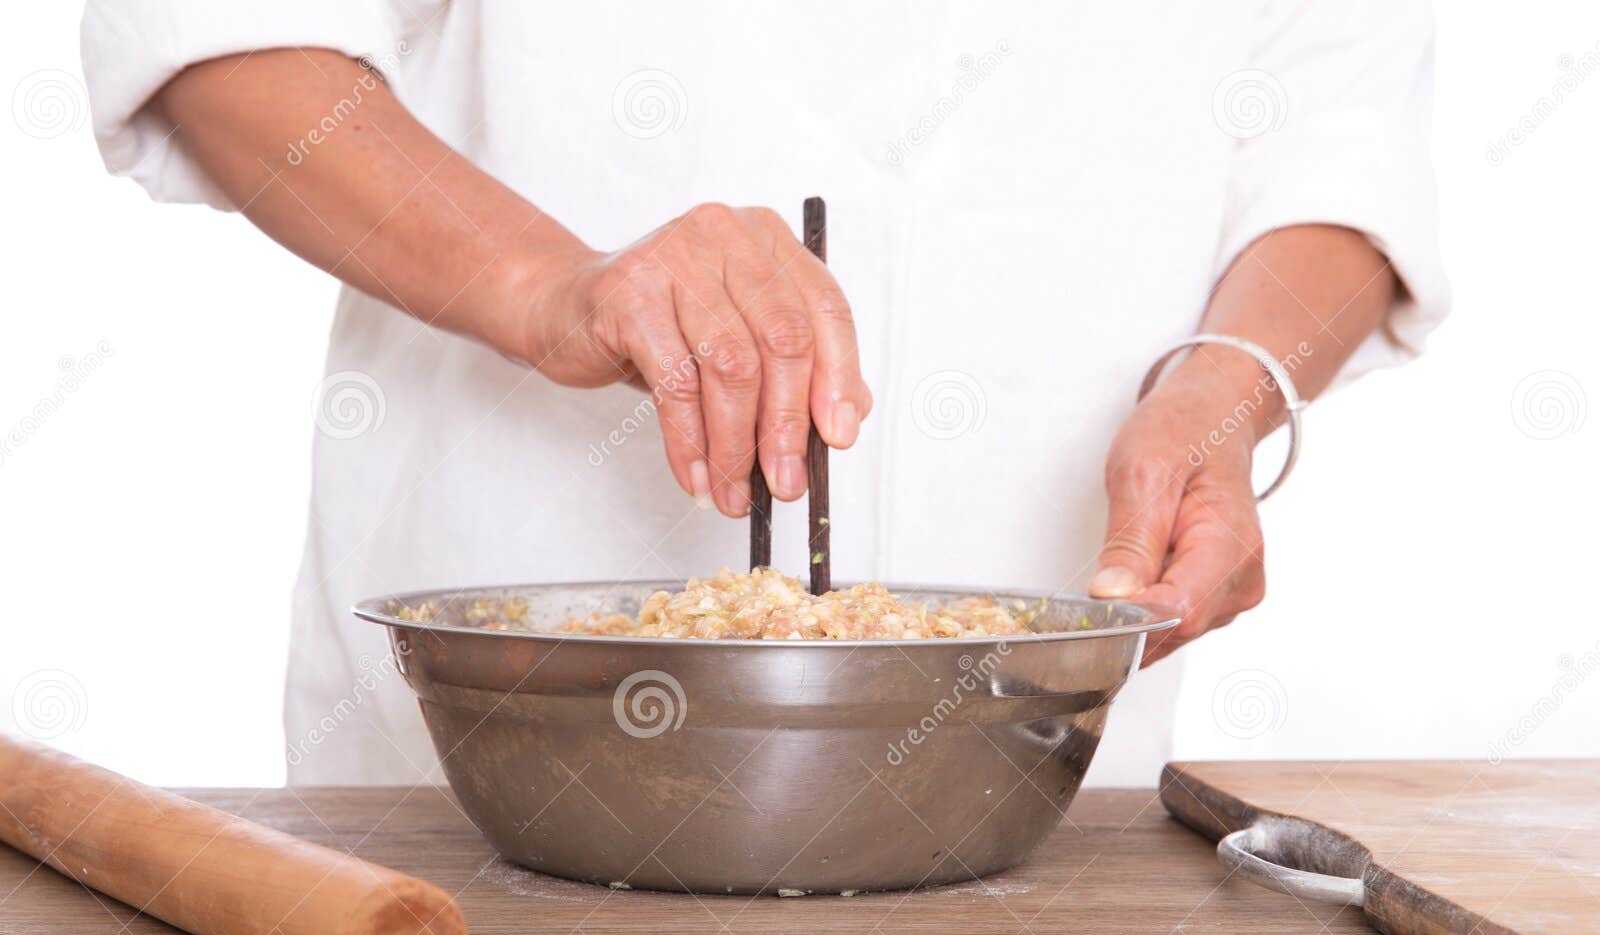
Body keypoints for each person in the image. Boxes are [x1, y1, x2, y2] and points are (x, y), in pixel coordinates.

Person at [81, 2, 1446, 785]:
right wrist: (549, 285)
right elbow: (225, 40)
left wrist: (1228, 388)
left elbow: (1336, 133)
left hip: (1040, 775)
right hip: (500, 760)